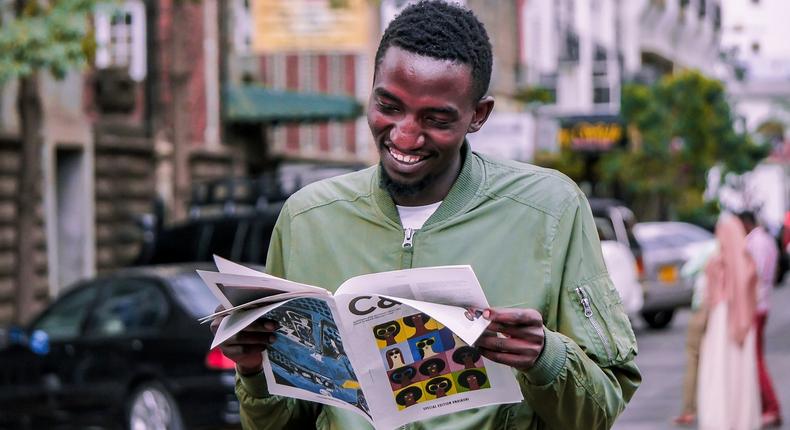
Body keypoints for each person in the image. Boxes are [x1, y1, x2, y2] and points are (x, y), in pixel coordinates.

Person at [211, 2, 640, 429]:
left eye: (436, 119)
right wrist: (254, 374)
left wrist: (545, 356)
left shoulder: (551, 210)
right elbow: (282, 422)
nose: (404, 135)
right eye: (389, 106)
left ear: (478, 115)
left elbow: (601, 409)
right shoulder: (307, 219)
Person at [696, 214, 761, 430]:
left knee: (721, 367)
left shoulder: (720, 261)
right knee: (737, 370)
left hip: (723, 317)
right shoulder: (746, 262)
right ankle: (738, 418)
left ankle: (723, 418)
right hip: (737, 319)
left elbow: (710, 292)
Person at [738, 211, 783, 428]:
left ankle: (771, 407)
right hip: (764, 302)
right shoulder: (767, 240)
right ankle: (767, 406)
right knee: (756, 357)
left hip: (755, 304)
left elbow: (753, 275)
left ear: (746, 224)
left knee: (755, 359)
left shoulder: (754, 243)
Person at [672, 239, 717, 427]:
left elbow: (687, 271)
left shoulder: (710, 248)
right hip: (722, 314)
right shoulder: (739, 247)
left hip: (702, 309)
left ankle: (689, 409)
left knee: (693, 358)